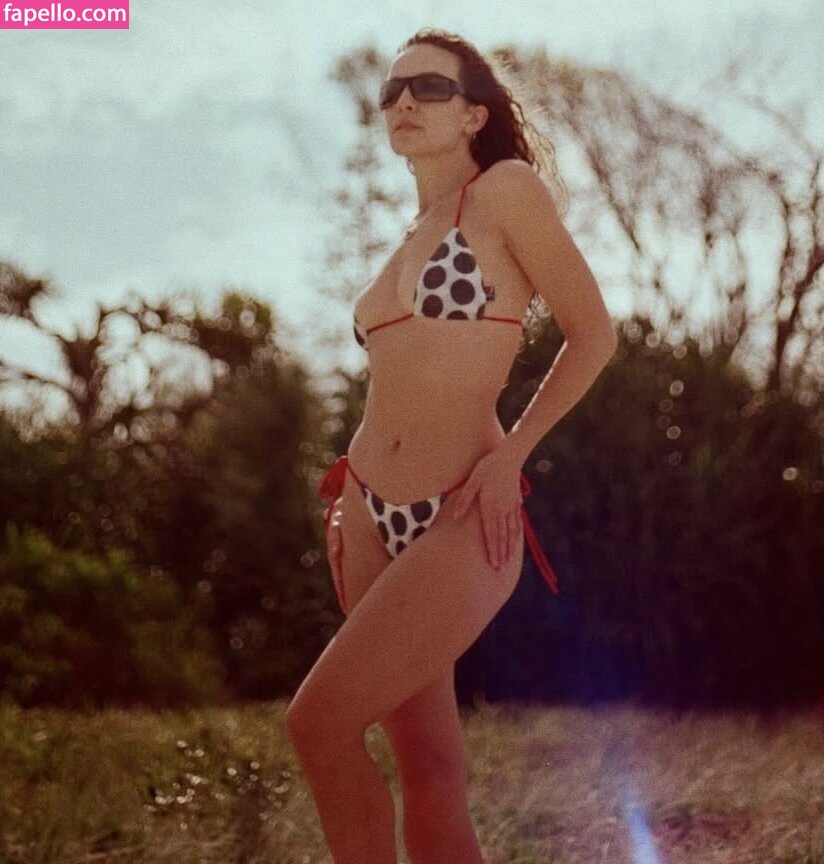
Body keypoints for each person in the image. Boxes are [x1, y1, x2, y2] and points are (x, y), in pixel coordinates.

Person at [285, 27, 617, 864]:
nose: (404, 102)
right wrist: (350, 496)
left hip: (465, 510)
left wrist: (513, 455)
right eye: (391, 91)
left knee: (317, 724)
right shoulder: (410, 233)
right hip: (367, 514)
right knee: (430, 769)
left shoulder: (505, 192)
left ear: (473, 113)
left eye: (429, 88)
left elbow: (593, 333)